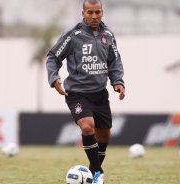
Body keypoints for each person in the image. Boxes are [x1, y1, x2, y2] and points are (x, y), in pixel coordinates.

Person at [46, 0, 125, 183]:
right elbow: (53, 56)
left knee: (104, 135)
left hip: (100, 93)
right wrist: (54, 78)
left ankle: (91, 172)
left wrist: (118, 81)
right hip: (77, 93)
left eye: (97, 12)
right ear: (83, 13)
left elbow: (114, 61)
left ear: (102, 12)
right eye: (90, 12)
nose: (94, 16)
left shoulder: (108, 35)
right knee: (87, 126)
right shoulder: (73, 34)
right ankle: (98, 172)